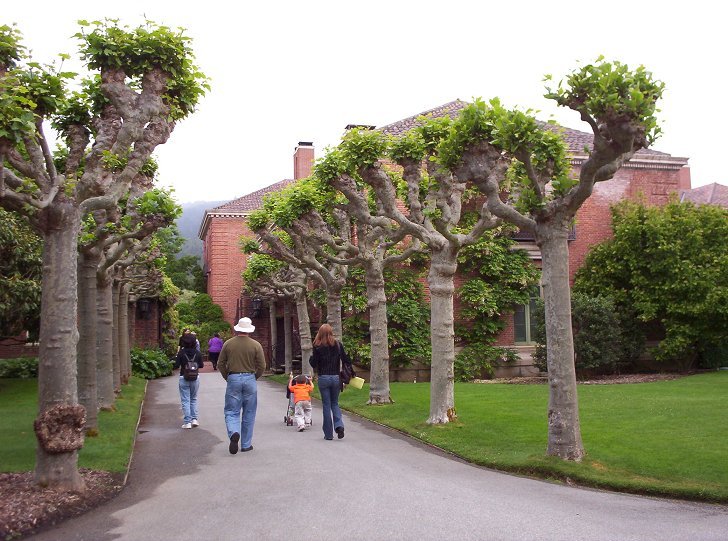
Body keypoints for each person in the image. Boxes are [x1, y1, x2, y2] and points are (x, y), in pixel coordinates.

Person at [218, 317, 266, 454]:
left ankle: (234, 432)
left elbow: (220, 363)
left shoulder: (228, 344)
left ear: (237, 329)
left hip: (233, 377)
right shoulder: (256, 345)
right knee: (249, 412)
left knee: (231, 410)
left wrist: (227, 376)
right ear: (249, 330)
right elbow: (262, 365)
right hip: (250, 378)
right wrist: (255, 376)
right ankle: (246, 444)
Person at [309, 323, 352, 441]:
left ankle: (328, 434)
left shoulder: (317, 346)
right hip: (335, 378)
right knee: (335, 403)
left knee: (326, 405)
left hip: (323, 378)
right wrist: (349, 374)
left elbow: (313, 363)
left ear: (320, 333)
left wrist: (311, 358)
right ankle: (339, 426)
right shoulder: (338, 345)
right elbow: (346, 360)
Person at [173, 342, 204, 429]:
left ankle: (187, 422)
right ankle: (194, 419)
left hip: (184, 377)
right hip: (195, 377)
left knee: (185, 400)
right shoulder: (197, 353)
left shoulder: (181, 353)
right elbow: (201, 365)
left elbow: (176, 365)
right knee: (193, 399)